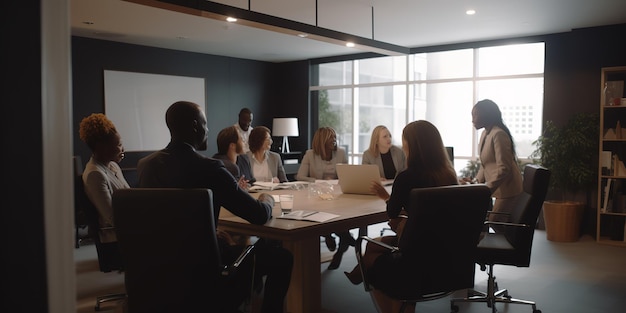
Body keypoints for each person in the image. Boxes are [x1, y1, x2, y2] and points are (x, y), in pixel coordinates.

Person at [137, 101, 292, 313]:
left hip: (159, 268)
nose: (207, 130)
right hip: (204, 271)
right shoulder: (210, 169)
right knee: (282, 258)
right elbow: (257, 215)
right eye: (205, 124)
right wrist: (268, 199)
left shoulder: (147, 166)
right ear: (194, 126)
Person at [344, 120, 459, 313]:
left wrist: (385, 196)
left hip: (415, 255)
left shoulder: (407, 177)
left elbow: (392, 212)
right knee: (373, 245)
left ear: (410, 145)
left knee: (370, 260)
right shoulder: (449, 175)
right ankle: (397, 300)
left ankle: (370, 280)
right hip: (444, 253)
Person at [295, 126, 355, 269]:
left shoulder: (340, 153)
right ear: (322, 140)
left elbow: (346, 174)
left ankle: (340, 250)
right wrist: (320, 183)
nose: (334, 140)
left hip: (337, 195)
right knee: (324, 218)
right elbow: (300, 176)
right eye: (331, 137)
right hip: (317, 195)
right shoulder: (310, 154)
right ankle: (334, 235)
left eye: (334, 137)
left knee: (340, 217)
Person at [468, 99, 523, 228]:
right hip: (498, 187)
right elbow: (485, 164)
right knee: (491, 220)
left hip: (509, 188)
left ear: (486, 115)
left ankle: (503, 247)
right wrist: (476, 182)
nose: (472, 119)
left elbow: (504, 168)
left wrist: (487, 188)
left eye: (475, 115)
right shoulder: (485, 134)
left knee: (495, 221)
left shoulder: (498, 134)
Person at [79, 113, 130, 244]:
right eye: (119, 145)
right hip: (116, 237)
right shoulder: (94, 174)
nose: (123, 148)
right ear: (103, 148)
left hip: (128, 228)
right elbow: (112, 218)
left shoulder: (113, 165)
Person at [213, 125, 256, 190]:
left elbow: (251, 181)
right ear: (232, 145)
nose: (244, 141)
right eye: (241, 139)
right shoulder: (229, 167)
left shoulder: (244, 159)